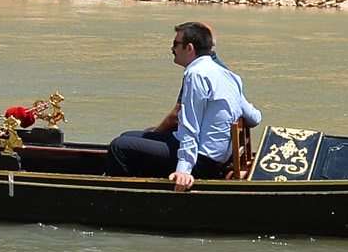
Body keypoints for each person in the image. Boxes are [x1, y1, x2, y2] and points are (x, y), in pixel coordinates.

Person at [106, 21, 263, 189]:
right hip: (210, 154)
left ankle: (124, 197)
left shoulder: (196, 75)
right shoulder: (229, 75)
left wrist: (184, 169)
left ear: (189, 48)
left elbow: (190, 125)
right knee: (127, 136)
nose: (172, 49)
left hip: (201, 161)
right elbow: (254, 118)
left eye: (175, 44)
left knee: (119, 146)